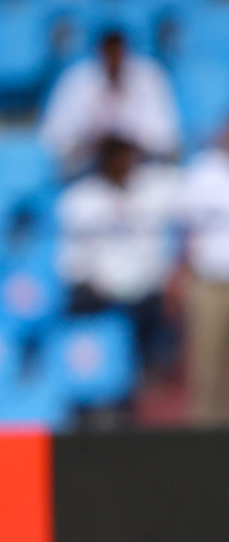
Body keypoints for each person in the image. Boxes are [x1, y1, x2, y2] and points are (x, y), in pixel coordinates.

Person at [56, 134, 181, 364]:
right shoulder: (79, 200)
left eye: (127, 158)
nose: (122, 165)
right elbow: (71, 261)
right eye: (116, 159)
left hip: (146, 291)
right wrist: (96, 281)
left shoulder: (154, 190)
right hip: (99, 292)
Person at [39, 29, 180, 173]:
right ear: (99, 53)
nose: (114, 60)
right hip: (89, 173)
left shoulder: (150, 77)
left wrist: (126, 133)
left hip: (143, 169)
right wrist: (94, 135)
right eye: (108, 54)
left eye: (119, 53)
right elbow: (56, 138)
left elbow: (166, 138)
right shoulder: (76, 80)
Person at [177, 132, 229, 423]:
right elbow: (183, 229)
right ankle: (203, 443)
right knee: (206, 367)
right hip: (210, 282)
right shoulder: (203, 171)